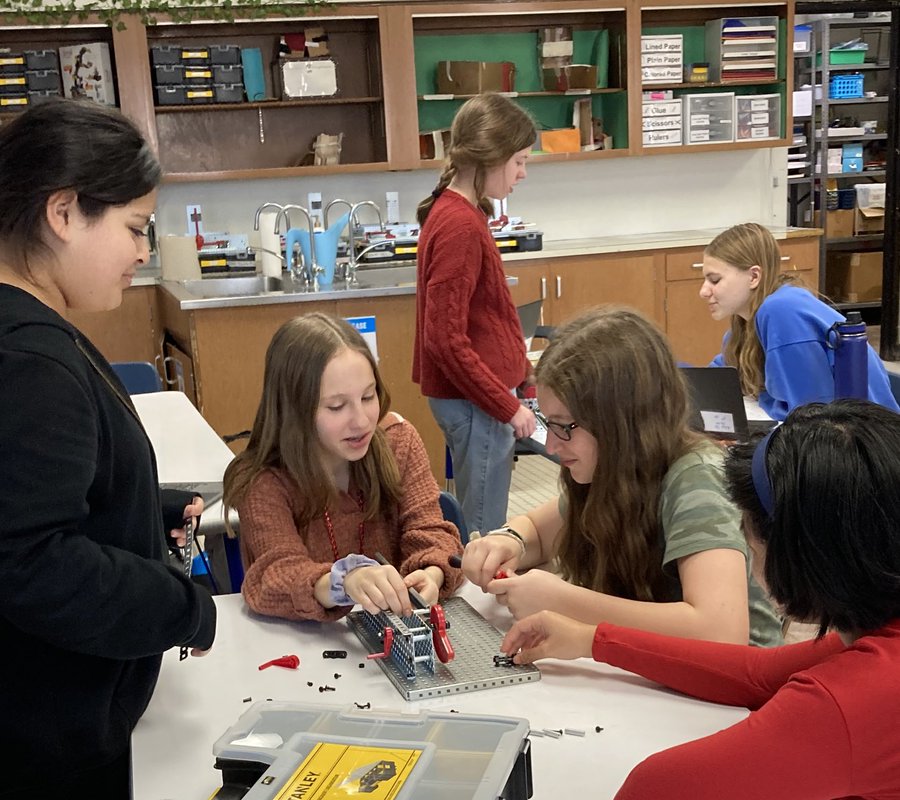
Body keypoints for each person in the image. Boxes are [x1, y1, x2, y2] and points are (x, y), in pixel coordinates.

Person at [0, 101, 216, 800]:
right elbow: (29, 562)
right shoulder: (32, 356)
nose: (144, 250)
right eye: (131, 226)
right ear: (60, 212)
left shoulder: (28, 335)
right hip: (47, 721)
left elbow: (54, 507)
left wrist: (147, 514)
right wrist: (176, 603)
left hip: (48, 710)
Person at [501, 400, 900, 800]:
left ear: (800, 555)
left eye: (747, 529)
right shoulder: (877, 630)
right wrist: (592, 640)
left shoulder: (854, 700)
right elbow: (758, 675)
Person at [462, 306, 782, 647]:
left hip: (735, 695)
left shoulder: (696, 477)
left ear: (621, 423)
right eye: (547, 423)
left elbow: (719, 631)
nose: (553, 445)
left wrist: (563, 601)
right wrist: (507, 541)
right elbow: (538, 533)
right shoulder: (611, 471)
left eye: (565, 426)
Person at [223, 313, 464, 621]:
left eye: (368, 396)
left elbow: (430, 531)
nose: (362, 421)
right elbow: (275, 573)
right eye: (336, 406)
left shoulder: (398, 442)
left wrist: (432, 573)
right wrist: (343, 582)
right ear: (295, 410)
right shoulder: (263, 482)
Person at [413, 93, 538, 537]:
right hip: (476, 403)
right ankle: (478, 602)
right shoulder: (459, 225)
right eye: (520, 160)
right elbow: (444, 338)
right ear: (493, 156)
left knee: (481, 517)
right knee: (484, 530)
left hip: (479, 399)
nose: (523, 172)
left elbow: (493, 315)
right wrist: (505, 405)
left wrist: (522, 377)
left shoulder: (463, 213)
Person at [702, 221, 898, 421]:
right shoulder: (743, 326)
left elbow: (812, 416)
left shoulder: (781, 310)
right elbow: (715, 381)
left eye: (715, 280)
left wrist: (762, 401)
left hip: (862, 441)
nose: (703, 291)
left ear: (754, 276)